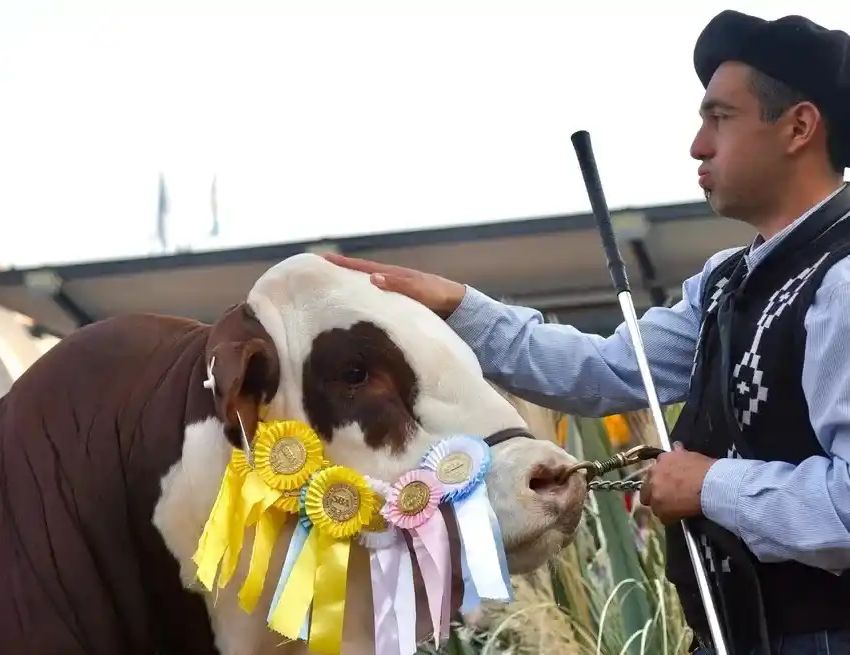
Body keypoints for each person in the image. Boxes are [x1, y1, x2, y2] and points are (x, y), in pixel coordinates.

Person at [325, 9, 850, 655]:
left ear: (798, 126)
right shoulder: (726, 281)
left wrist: (709, 484)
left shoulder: (843, 280)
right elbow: (604, 370)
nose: (697, 145)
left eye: (719, 118)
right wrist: (458, 305)